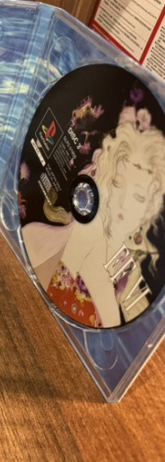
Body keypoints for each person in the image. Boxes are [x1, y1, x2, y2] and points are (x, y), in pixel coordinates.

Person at [23, 118, 165, 327]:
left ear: (149, 211)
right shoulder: (34, 237)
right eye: (117, 184)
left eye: (139, 197)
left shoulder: (121, 309)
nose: (123, 203)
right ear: (103, 178)